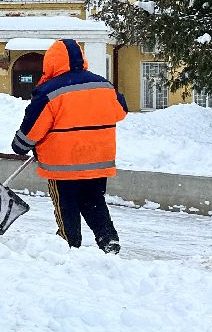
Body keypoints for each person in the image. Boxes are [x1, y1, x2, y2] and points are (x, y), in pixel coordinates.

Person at [11, 39, 128, 254]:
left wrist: (20, 145)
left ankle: (68, 243)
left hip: (62, 165)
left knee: (66, 206)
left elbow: (32, 129)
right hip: (97, 160)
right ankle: (108, 238)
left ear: (51, 63)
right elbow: (121, 111)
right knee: (94, 200)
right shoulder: (103, 85)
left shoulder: (49, 91)